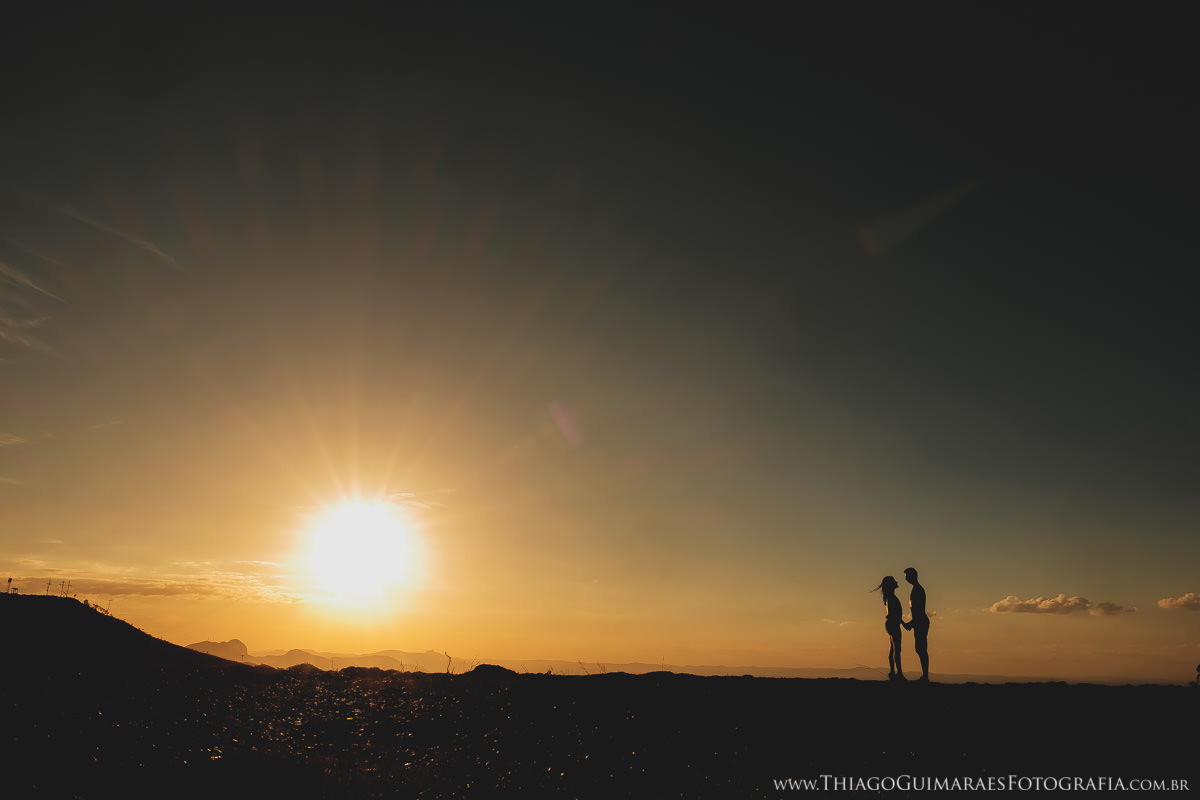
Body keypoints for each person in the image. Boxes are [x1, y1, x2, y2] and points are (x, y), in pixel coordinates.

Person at [874, 576, 905, 681]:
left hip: (891, 623)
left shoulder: (889, 597)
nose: (897, 582)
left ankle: (893, 672)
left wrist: (902, 623)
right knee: (896, 648)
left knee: (893, 648)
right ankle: (898, 674)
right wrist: (902, 623)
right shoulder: (891, 598)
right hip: (893, 624)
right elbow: (894, 614)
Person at [901, 567, 930, 682]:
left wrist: (911, 623)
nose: (906, 579)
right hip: (919, 621)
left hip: (920, 622)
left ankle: (925, 676)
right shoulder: (916, 589)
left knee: (921, 649)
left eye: (907, 576)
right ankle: (925, 676)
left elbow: (918, 610)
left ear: (912, 576)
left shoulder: (918, 590)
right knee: (920, 649)